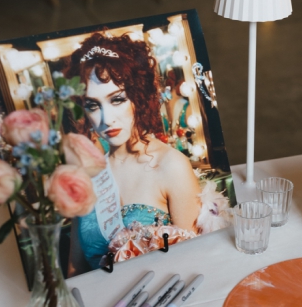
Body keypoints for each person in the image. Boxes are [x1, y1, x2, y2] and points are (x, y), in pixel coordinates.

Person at [64, 32, 203, 269]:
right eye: (93, 105)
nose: (106, 119)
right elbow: (75, 268)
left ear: (138, 96)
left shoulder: (172, 167)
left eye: (117, 99)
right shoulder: (86, 176)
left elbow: (192, 263)